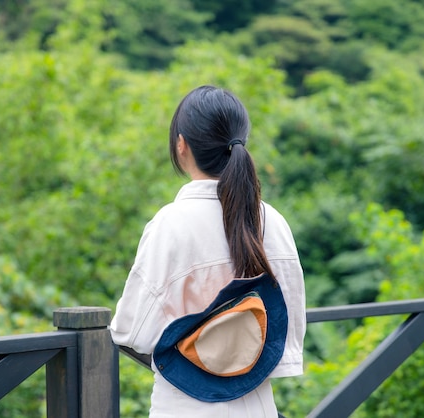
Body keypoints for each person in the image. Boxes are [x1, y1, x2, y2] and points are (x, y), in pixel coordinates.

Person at [110, 85, 306, 418]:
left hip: (186, 406)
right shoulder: (272, 220)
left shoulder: (170, 224)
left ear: (181, 145)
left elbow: (132, 332)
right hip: (258, 407)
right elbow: (287, 333)